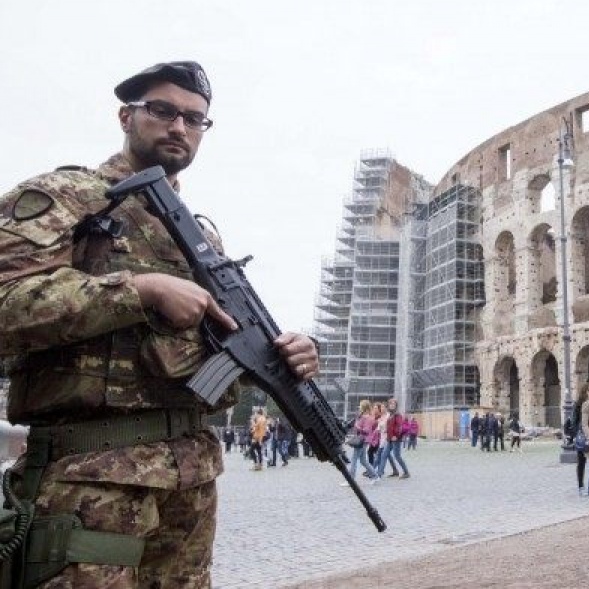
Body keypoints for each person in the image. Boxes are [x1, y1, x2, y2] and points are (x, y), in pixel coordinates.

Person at [0, 61, 321, 586]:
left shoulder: (201, 238)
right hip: (90, 480)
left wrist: (283, 354)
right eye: (163, 110)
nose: (179, 127)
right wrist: (139, 290)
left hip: (189, 488)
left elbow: (213, 352)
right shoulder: (66, 198)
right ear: (126, 117)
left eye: (194, 119)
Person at [343, 400, 378, 485]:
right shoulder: (364, 417)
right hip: (363, 440)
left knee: (354, 459)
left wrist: (357, 426)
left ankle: (351, 480)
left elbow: (366, 431)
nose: (359, 407)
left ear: (364, 407)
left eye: (360, 406)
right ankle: (375, 476)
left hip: (362, 440)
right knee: (363, 461)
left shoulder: (367, 418)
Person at [377, 398, 410, 479]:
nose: (392, 405)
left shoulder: (397, 415)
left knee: (397, 456)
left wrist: (396, 436)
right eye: (390, 404)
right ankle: (379, 474)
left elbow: (399, 426)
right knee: (384, 455)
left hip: (395, 439)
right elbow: (390, 427)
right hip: (389, 439)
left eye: (393, 404)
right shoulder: (391, 415)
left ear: (396, 406)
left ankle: (406, 472)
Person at [571, 384, 589, 496]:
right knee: (581, 462)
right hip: (582, 436)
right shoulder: (578, 404)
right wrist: (576, 435)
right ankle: (581, 486)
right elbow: (574, 421)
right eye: (588, 390)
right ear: (584, 392)